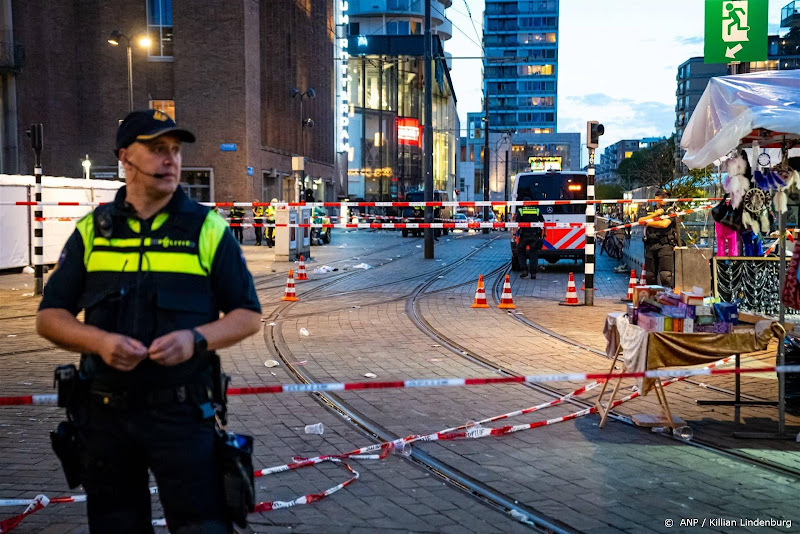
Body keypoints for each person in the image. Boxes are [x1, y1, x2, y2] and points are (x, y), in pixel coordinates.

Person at [36, 109, 262, 532]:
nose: (171, 160)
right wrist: (99, 342)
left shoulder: (206, 228)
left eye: (175, 150)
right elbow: (49, 318)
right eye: (157, 149)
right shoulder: (92, 231)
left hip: (181, 414)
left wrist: (195, 339)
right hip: (105, 418)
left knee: (202, 525)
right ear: (126, 158)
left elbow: (248, 317)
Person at [640, 189, 676, 287]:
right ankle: (652, 299)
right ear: (656, 198)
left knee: (665, 276)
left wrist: (648, 223)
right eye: (662, 197)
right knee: (650, 276)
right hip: (650, 245)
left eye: (666, 197)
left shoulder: (669, 210)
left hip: (665, 245)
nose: (665, 199)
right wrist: (655, 215)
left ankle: (667, 299)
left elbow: (664, 224)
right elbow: (640, 221)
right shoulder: (648, 210)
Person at [516, 197, 546, 278]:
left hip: (524, 235)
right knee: (534, 253)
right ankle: (533, 273)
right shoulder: (536, 210)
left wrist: (514, 234)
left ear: (524, 203)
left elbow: (517, 224)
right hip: (534, 235)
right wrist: (544, 234)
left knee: (521, 251)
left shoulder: (520, 211)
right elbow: (543, 222)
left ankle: (524, 270)